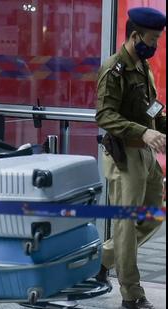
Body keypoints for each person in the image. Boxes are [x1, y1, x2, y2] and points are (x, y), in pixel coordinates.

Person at [95, 7, 166, 309]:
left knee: (153, 215)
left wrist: (159, 125)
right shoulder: (115, 69)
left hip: (146, 154)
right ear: (135, 35)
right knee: (125, 226)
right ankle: (132, 294)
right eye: (153, 38)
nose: (156, 45)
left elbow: (151, 111)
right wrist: (143, 132)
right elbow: (104, 115)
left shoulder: (142, 67)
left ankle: (102, 259)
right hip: (125, 156)